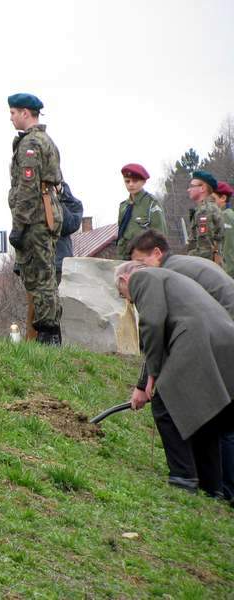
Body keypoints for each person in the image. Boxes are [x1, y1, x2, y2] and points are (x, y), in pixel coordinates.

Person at [127, 229, 234, 493]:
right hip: (222, 334)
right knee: (218, 414)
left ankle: (215, 486)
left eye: (140, 264)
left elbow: (158, 328)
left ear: (157, 254)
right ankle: (217, 488)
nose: (137, 272)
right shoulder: (182, 265)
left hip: (219, 336)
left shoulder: (168, 274)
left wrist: (145, 383)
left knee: (217, 418)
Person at [6, 93, 63, 345]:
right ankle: (50, 330)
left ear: (26, 113)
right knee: (45, 273)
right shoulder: (45, 140)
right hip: (45, 215)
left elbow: (28, 188)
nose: (11, 117)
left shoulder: (31, 144)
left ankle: (47, 332)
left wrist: (18, 225)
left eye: (13, 112)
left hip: (36, 219)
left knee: (40, 276)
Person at [116, 163, 166, 259]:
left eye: (135, 181)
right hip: (124, 257)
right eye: (127, 181)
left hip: (144, 257)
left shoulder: (152, 204)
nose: (131, 184)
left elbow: (160, 235)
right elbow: (121, 236)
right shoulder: (124, 206)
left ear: (143, 182)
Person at [186, 170, 223, 263]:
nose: (188, 189)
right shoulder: (210, 207)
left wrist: (185, 260)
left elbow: (205, 251)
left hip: (206, 270)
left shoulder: (204, 211)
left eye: (191, 186)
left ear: (202, 188)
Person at [55, 181, 83, 285]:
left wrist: (56, 200)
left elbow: (68, 226)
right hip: (36, 266)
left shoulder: (73, 203)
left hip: (59, 265)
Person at [212, 181, 234, 277]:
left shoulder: (226, 216)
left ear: (223, 198)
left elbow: (228, 250)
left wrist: (227, 276)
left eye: (212, 199)